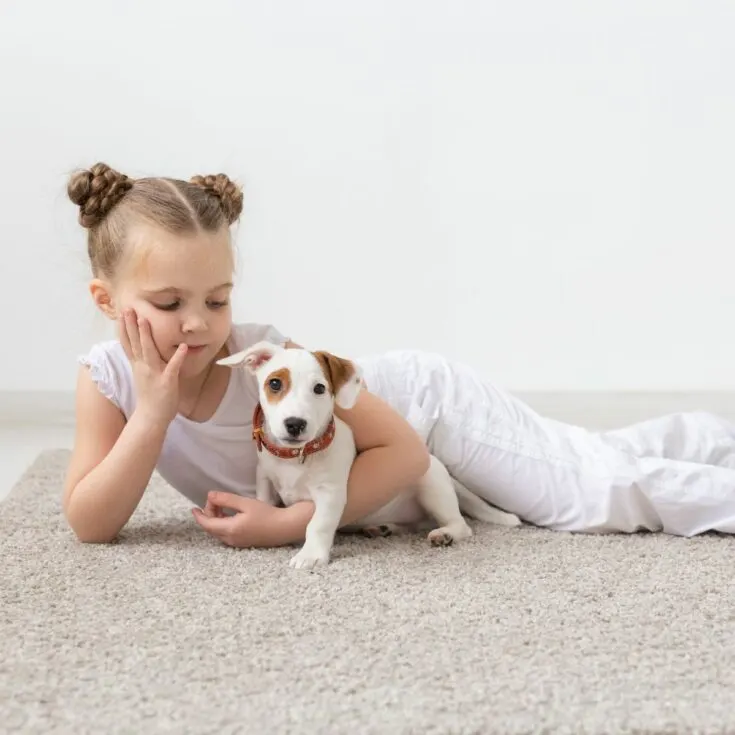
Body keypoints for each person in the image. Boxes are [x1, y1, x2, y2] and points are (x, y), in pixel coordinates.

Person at [64, 162, 735, 547]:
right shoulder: (107, 380)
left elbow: (407, 453)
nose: (196, 324)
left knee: (587, 493)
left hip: (427, 410)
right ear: (105, 298)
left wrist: (289, 525)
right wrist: (151, 413)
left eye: (216, 299)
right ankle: (704, 437)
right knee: (580, 457)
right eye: (167, 302)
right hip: (399, 451)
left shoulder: (261, 353)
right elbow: (90, 521)